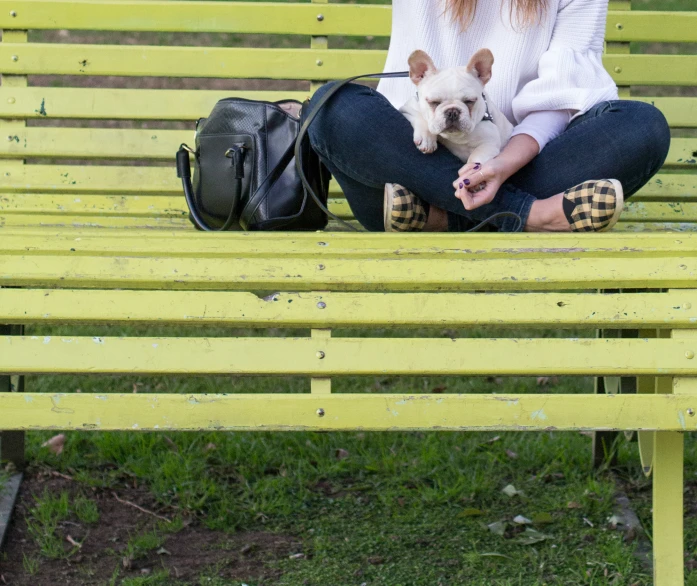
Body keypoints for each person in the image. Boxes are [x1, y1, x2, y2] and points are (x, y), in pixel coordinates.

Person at [306, 0, 671, 233]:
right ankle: (531, 216)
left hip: (508, 166)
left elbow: (560, 96)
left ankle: (444, 218)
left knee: (642, 125)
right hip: (410, 164)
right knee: (333, 106)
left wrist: (502, 165)